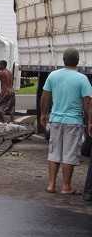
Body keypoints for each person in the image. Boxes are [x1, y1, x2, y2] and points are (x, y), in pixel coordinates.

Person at [40, 48, 92, 195]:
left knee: (54, 153)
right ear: (78, 61)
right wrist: (90, 121)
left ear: (63, 60)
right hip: (73, 121)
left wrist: (43, 114)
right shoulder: (82, 79)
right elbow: (88, 102)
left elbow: (45, 96)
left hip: (55, 120)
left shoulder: (53, 75)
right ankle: (66, 186)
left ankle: (51, 185)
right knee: (69, 154)